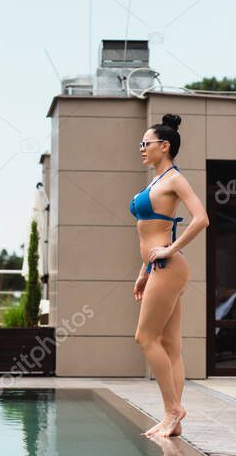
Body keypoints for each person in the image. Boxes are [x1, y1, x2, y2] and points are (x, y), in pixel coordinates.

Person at [130, 114, 209, 438]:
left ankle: (172, 410)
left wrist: (168, 250)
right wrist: (143, 272)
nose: (142, 150)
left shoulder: (175, 179)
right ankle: (175, 422)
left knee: (145, 338)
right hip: (158, 269)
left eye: (145, 144)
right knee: (169, 344)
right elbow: (149, 237)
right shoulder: (155, 182)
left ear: (164, 145)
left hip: (169, 266)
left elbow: (201, 218)